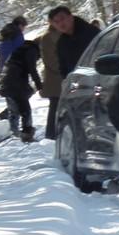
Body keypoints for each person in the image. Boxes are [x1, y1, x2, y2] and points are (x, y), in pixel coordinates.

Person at [0, 39, 42, 143]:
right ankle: (27, 135)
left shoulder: (21, 48)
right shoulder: (31, 50)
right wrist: (39, 84)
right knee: (25, 110)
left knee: (13, 110)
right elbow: (32, 69)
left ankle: (12, 134)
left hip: (6, 81)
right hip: (15, 83)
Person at [56, 6, 100, 93]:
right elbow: (63, 67)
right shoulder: (61, 43)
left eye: (62, 18)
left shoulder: (91, 33)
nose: (61, 23)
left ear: (71, 17)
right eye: (57, 22)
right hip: (77, 88)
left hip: (98, 84)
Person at [38, 7, 67, 139]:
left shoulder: (64, 35)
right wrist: (65, 70)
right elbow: (50, 60)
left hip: (64, 79)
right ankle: (51, 135)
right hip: (55, 80)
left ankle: (59, 134)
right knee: (55, 107)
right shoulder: (48, 37)